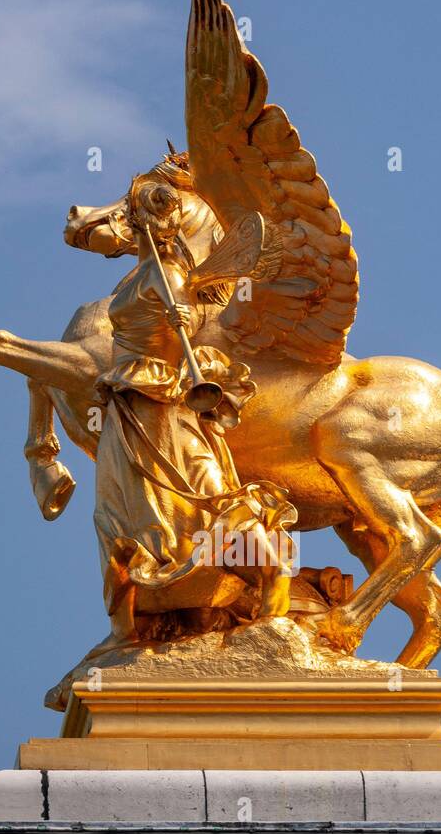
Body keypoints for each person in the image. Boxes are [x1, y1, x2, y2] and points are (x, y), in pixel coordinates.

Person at [93, 175, 296, 643]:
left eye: (138, 216)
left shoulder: (171, 277)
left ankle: (274, 580)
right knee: (118, 511)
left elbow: (185, 322)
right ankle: (124, 628)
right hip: (128, 403)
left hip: (164, 400)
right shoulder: (139, 276)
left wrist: (180, 315)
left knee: (207, 492)